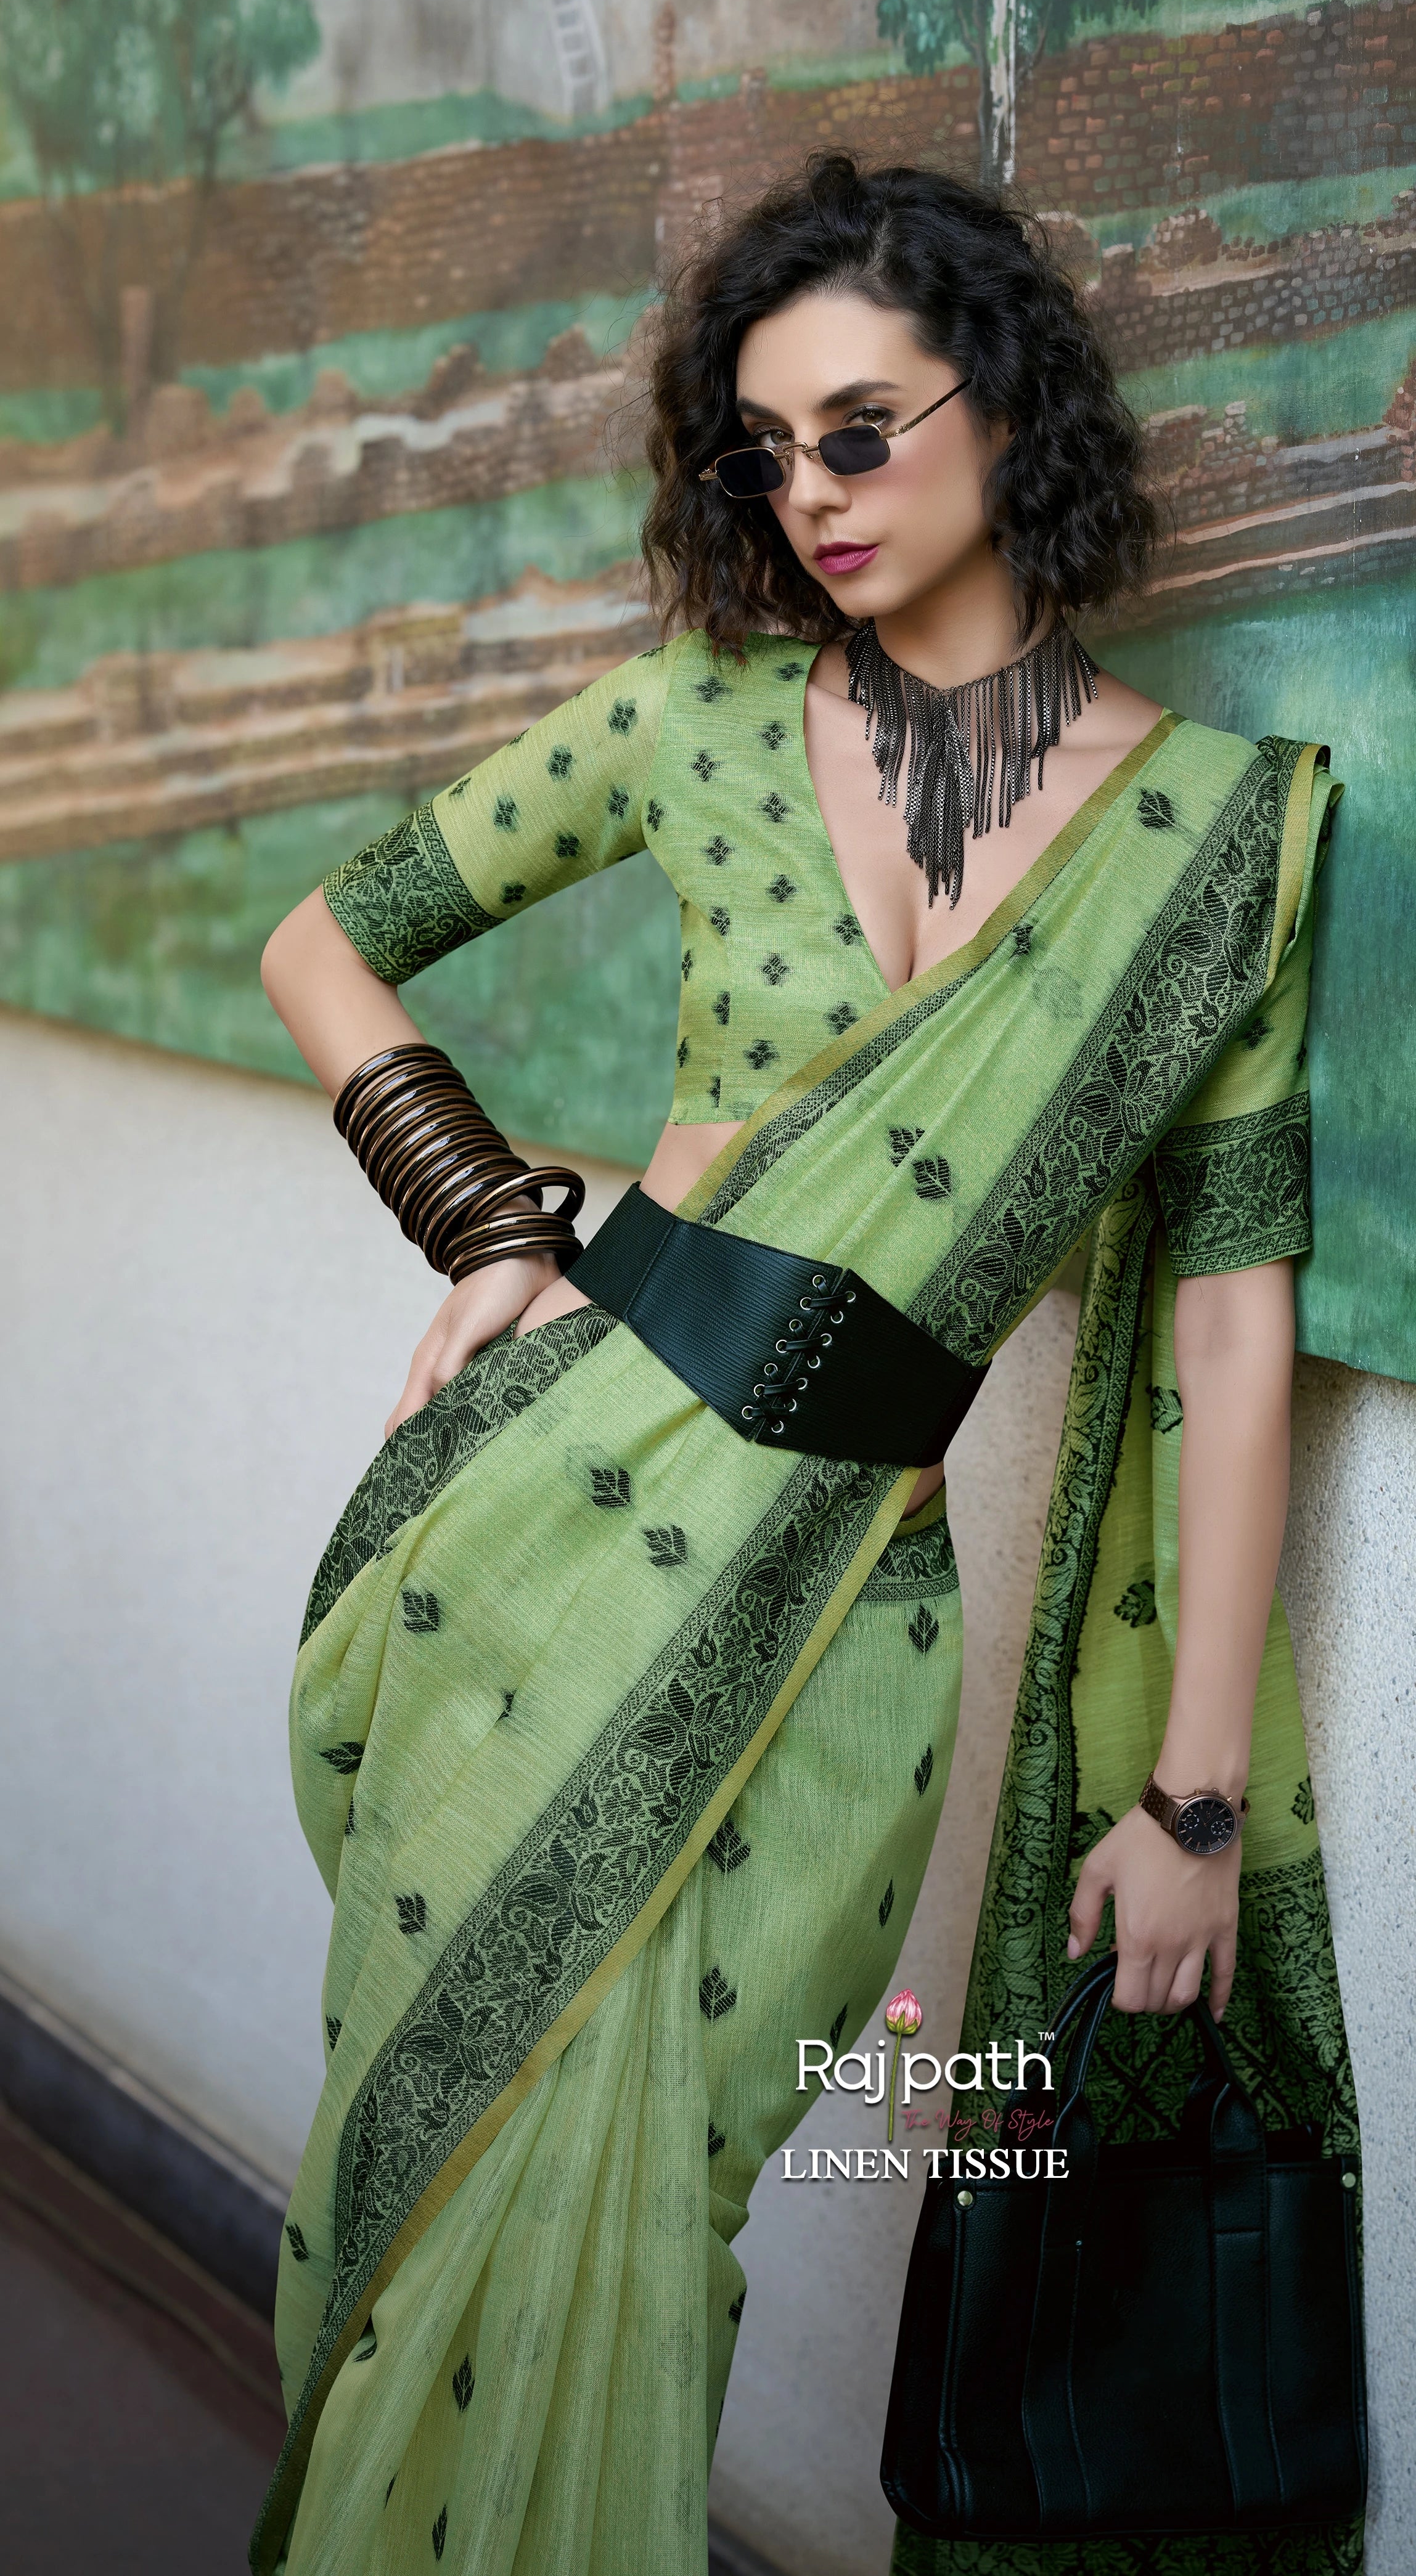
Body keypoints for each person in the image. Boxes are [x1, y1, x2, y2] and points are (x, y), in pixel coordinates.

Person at [252, 153, 1357, 2576]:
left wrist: (1186, 1797)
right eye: (764, 449)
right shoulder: (689, 718)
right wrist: (494, 1219)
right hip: (534, 1538)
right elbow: (324, 938)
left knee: (665, 2205)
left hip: (837, 1600)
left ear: (1012, 404)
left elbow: (1230, 1323)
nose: (812, 494)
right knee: (428, 2212)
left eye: (862, 426)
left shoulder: (1217, 843)